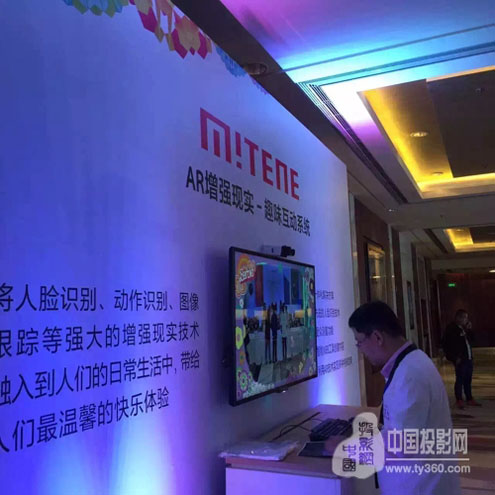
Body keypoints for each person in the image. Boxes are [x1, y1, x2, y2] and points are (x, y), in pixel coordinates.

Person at [349, 301, 460, 495]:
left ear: (377, 337)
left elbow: (403, 445)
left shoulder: (409, 375)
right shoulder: (410, 362)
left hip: (420, 486)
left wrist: (348, 448)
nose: (360, 350)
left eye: (359, 342)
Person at [442, 309, 480, 409]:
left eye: (466, 318)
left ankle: (469, 398)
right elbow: (447, 345)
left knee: (468, 379)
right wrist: (454, 358)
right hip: (460, 359)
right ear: (458, 318)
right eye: (464, 317)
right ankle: (459, 399)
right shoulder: (451, 329)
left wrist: (469, 330)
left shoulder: (464, 329)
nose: (466, 320)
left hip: (468, 357)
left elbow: (472, 341)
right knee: (460, 379)